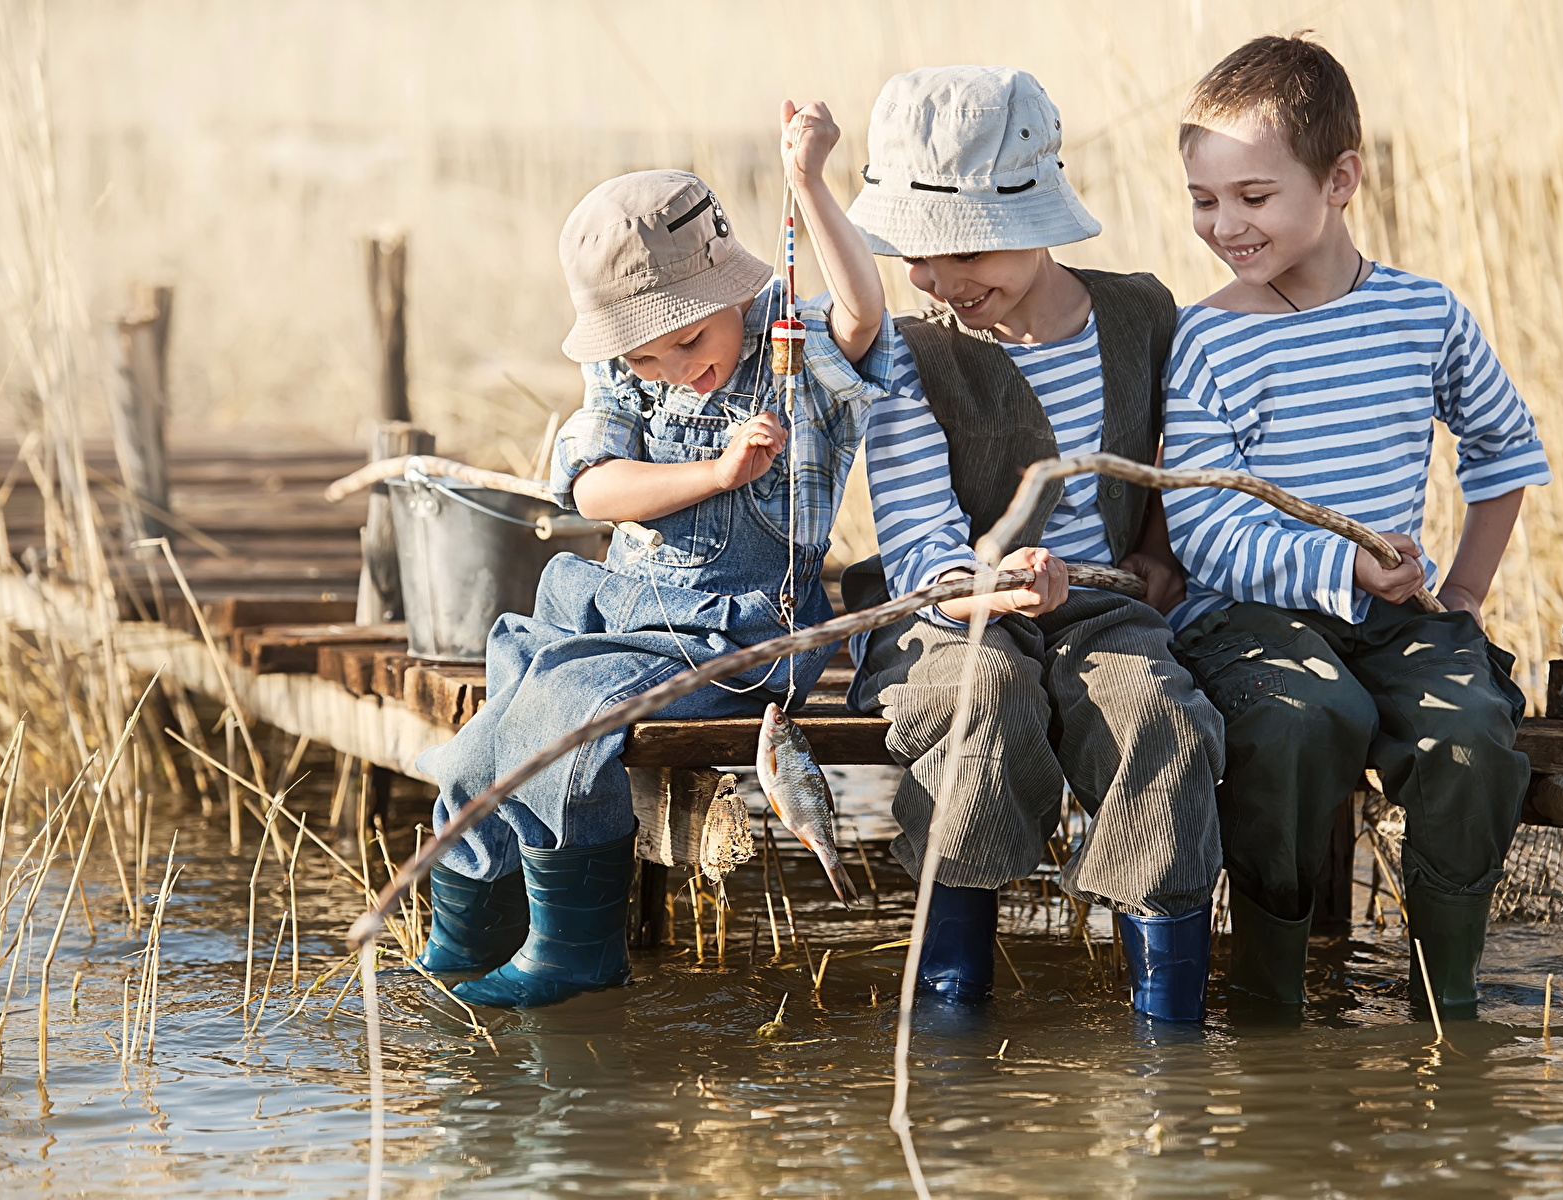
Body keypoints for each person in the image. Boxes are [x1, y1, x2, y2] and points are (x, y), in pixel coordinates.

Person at [413, 103, 893, 1009]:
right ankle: (466, 937)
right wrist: (714, 472)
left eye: (691, 340)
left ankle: (576, 951)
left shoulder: (791, 349)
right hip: (621, 607)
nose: (678, 368)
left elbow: (866, 312)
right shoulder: (628, 371)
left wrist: (808, 182)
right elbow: (591, 490)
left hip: (743, 631)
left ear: (737, 294)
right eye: (648, 357)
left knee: (563, 707)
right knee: (481, 743)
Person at [1164, 35, 1551, 1020]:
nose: (1225, 224)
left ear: (1341, 179)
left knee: (1470, 732)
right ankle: (1269, 996)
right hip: (1248, 615)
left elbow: (1505, 444)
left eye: (1253, 196)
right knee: (1303, 720)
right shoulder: (1210, 337)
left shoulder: (1423, 315)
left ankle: (1447, 1000)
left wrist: (1462, 590)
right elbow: (1204, 532)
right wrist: (1341, 569)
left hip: (1395, 611)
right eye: (1206, 200)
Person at [843, 65, 1225, 1021]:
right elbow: (919, 529)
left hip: (1104, 602)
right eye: (917, 258)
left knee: (1158, 719)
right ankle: (950, 1002)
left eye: (963, 251)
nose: (938, 280)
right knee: (979, 696)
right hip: (948, 607)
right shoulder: (910, 352)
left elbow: (1177, 461)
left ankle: (1166, 1017)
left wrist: (1162, 554)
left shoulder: (1141, 315)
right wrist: (985, 587)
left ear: (1041, 220)